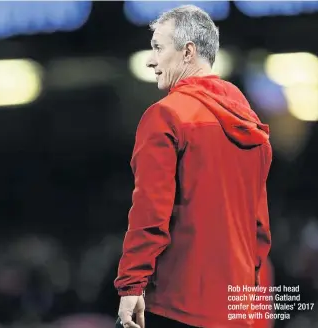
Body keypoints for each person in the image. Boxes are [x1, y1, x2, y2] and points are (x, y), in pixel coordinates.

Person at [114, 5, 272, 328]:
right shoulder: (252, 125)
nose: (150, 59)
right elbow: (260, 232)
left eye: (158, 48)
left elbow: (149, 212)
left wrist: (131, 284)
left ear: (188, 52)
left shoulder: (166, 116)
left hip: (177, 308)